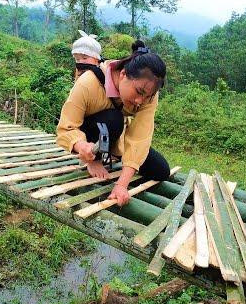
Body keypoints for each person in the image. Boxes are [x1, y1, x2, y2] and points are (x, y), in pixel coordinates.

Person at [56, 40, 170, 207]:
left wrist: (122, 185)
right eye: (139, 92)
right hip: (91, 135)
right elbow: (67, 126)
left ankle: (113, 152)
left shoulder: (149, 95)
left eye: (147, 96)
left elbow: (140, 137)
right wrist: (81, 146)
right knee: (113, 118)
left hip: (116, 137)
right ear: (123, 74)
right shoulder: (88, 83)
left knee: (161, 170)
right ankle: (95, 160)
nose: (140, 101)